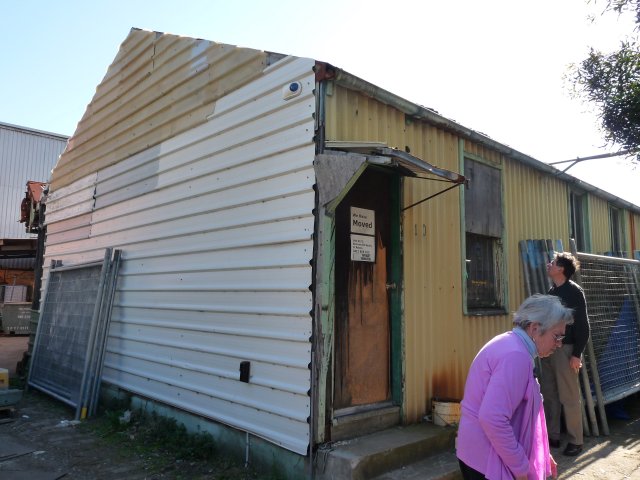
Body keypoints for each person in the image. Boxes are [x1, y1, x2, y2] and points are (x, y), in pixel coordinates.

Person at [457, 294, 574, 480]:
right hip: (486, 459)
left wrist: (542, 453)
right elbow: (493, 418)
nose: (559, 344)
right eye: (556, 336)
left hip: (478, 452)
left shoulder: (512, 344)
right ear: (535, 328)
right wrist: (521, 468)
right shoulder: (516, 356)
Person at [540, 252, 591, 457]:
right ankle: (553, 435)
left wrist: (577, 354)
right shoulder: (551, 291)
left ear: (561, 269)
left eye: (553, 263)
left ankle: (575, 441)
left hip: (567, 350)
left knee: (569, 396)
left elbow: (583, 326)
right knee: (550, 394)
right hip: (548, 350)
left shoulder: (574, 292)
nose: (549, 265)